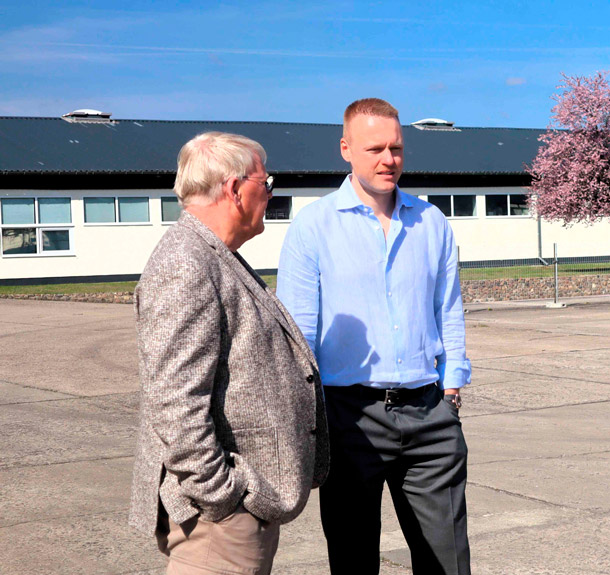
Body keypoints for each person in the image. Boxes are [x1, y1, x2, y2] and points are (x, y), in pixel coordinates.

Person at [277, 98, 471, 575]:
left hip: (430, 414)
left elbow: (448, 309)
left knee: (448, 563)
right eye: (375, 148)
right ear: (346, 149)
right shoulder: (312, 228)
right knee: (354, 562)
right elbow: (297, 334)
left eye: (397, 148)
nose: (389, 159)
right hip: (348, 419)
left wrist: (451, 386)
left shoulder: (431, 222)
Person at [129, 132, 329, 575]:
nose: (272, 192)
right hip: (217, 523)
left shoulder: (215, 255)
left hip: (231, 513)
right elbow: (176, 404)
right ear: (235, 189)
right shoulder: (187, 263)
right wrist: (225, 498)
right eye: (266, 180)